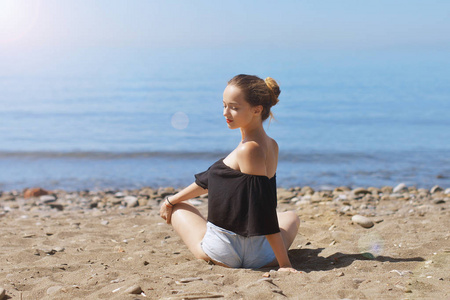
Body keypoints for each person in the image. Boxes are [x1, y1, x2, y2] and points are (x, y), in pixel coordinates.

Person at [159, 74, 300, 272]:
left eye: (234, 107)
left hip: (226, 251)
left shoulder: (248, 149)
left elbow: (263, 209)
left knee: (179, 209)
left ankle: (267, 256)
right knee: (291, 216)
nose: (226, 112)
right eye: (224, 105)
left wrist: (285, 265)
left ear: (256, 109)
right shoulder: (271, 145)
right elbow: (210, 180)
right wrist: (170, 200)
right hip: (261, 253)